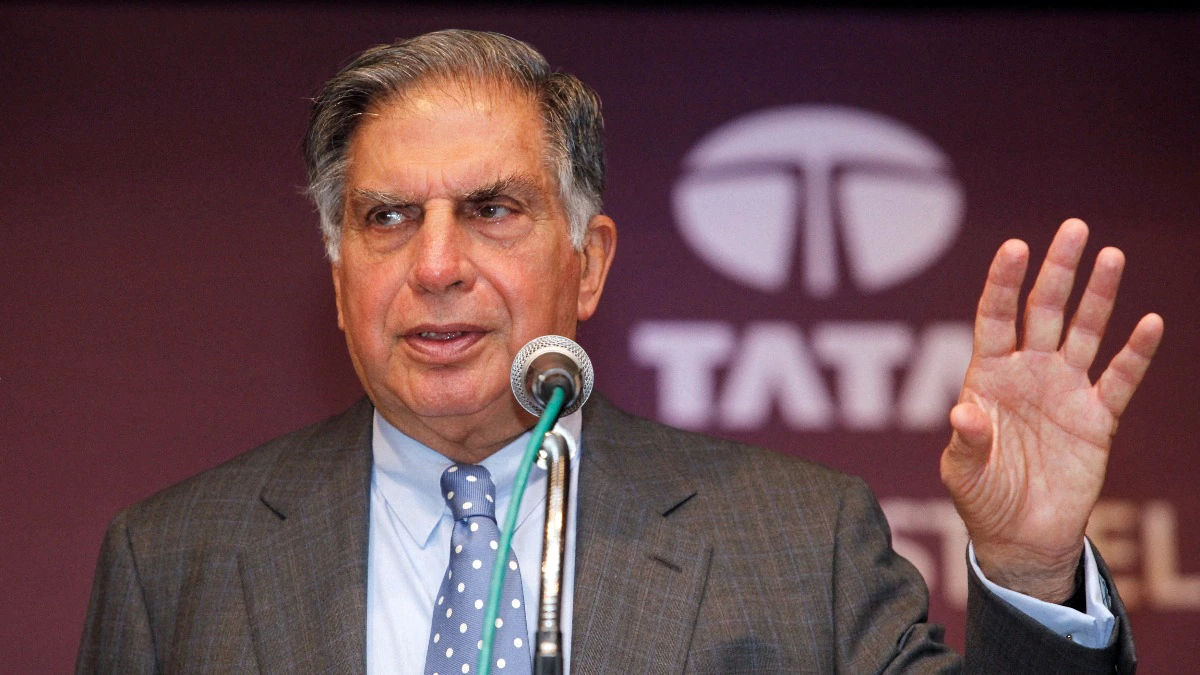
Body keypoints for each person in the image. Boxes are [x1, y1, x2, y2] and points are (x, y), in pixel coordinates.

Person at [77, 29, 1162, 674]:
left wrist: (1029, 571)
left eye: (492, 210)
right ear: (337, 273)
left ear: (588, 263)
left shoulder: (800, 542)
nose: (436, 265)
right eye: (388, 218)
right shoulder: (171, 562)